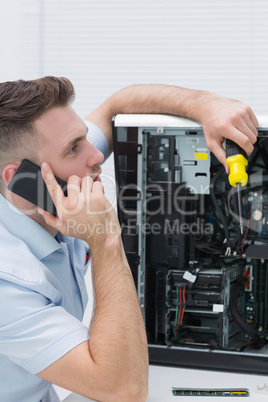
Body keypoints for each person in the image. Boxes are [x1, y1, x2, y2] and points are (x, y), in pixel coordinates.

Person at [0, 77, 258, 402]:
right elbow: (123, 391)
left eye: (84, 137)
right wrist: (105, 238)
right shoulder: (6, 281)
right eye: (74, 148)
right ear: (21, 179)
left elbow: (118, 104)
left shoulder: (60, 174)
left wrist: (206, 105)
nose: (96, 155)